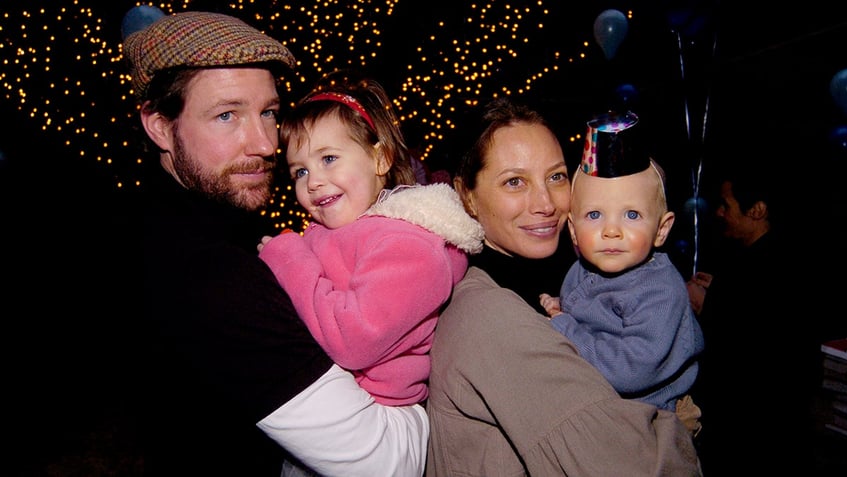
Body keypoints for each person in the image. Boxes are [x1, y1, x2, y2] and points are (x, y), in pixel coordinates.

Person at [126, 11, 427, 476]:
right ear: (160, 127)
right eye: (227, 115)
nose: (267, 144)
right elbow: (387, 463)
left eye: (268, 112)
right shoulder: (205, 273)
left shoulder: (221, 221)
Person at [425, 97, 702, 476]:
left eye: (556, 177)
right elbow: (637, 466)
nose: (545, 203)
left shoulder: (576, 272)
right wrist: (678, 433)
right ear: (467, 195)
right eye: (514, 182)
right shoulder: (495, 316)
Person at [257, 72, 483, 406]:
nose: (314, 181)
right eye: (300, 172)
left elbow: (354, 341)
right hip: (338, 396)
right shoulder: (334, 233)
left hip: (378, 409)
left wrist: (290, 261)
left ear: (380, 158)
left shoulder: (408, 245)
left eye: (329, 158)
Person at [539, 112, 704, 415]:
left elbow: (630, 370)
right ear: (573, 230)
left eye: (631, 215)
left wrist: (565, 327)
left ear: (662, 230)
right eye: (594, 215)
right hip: (598, 398)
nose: (611, 230)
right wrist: (561, 307)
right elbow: (589, 313)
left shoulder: (660, 292)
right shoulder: (584, 268)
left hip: (645, 417)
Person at [684, 157, 820, 475]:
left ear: (756, 210)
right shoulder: (777, 256)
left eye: (726, 205)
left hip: (756, 431)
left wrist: (708, 306)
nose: (719, 212)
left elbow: (752, 350)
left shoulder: (763, 270)